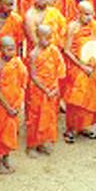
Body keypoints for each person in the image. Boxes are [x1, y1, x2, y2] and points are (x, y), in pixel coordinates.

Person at [62, 1, 96, 142]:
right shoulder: (72, 28)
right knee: (76, 99)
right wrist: (82, 66)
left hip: (93, 68)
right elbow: (67, 51)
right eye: (86, 14)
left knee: (90, 97)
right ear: (78, 13)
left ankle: (85, 127)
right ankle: (71, 129)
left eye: (91, 14)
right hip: (78, 68)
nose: (89, 17)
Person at [26, 24, 65, 156]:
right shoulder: (33, 54)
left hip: (52, 89)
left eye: (50, 37)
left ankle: (42, 142)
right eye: (46, 38)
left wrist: (55, 87)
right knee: (35, 118)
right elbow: (33, 75)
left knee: (48, 117)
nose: (49, 41)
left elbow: (59, 69)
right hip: (38, 90)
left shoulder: (53, 50)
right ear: (38, 37)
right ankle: (31, 146)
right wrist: (45, 89)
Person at [0, 37, 27, 174]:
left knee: (10, 134)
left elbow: (21, 82)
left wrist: (18, 103)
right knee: (0, 134)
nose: (12, 51)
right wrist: (7, 107)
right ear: (0, 50)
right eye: (8, 49)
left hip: (14, 104)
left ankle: (6, 159)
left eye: (13, 48)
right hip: (2, 106)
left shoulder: (16, 63)